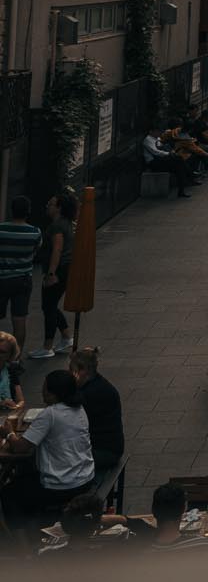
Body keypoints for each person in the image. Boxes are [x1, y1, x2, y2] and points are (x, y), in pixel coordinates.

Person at [0, 368, 95, 535]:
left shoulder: (50, 414)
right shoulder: (79, 408)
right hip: (85, 477)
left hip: (62, 485)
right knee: (26, 475)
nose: (41, 392)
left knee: (9, 494)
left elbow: (21, 447)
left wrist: (8, 432)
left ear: (53, 394)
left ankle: (23, 542)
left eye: (44, 389)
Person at [29, 190, 75, 363]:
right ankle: (65, 336)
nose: (47, 206)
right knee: (51, 305)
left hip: (58, 270)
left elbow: (57, 249)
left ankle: (47, 346)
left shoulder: (56, 226)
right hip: (65, 268)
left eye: (51, 204)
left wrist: (51, 273)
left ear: (59, 208)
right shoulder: (66, 223)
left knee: (48, 306)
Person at [68, 346, 124, 475]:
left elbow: (70, 414)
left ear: (84, 371)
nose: (70, 374)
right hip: (105, 446)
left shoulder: (91, 392)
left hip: (103, 451)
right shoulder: (95, 384)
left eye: (72, 370)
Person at [0, 195, 40, 351]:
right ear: (28, 212)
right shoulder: (35, 232)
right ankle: (16, 356)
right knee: (19, 319)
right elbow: (34, 253)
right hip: (23, 280)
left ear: (12, 210)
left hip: (2, 278)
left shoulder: (1, 230)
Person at [140, 129, 196, 198]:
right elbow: (155, 152)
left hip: (162, 159)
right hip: (154, 162)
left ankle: (182, 189)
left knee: (179, 166)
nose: (159, 133)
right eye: (157, 131)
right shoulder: (147, 140)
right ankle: (191, 176)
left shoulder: (157, 138)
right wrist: (168, 153)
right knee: (179, 161)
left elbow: (163, 147)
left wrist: (169, 151)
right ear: (151, 131)